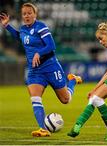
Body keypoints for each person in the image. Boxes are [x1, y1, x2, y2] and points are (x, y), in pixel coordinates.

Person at [0, 3, 82, 137]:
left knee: (65, 100)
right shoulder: (23, 29)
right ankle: (43, 129)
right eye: (24, 13)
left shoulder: (41, 27)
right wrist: (7, 26)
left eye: (29, 13)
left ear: (35, 14)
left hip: (50, 67)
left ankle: (72, 80)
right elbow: (21, 38)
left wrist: (39, 53)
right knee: (35, 98)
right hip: (35, 71)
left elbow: (51, 45)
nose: (27, 16)